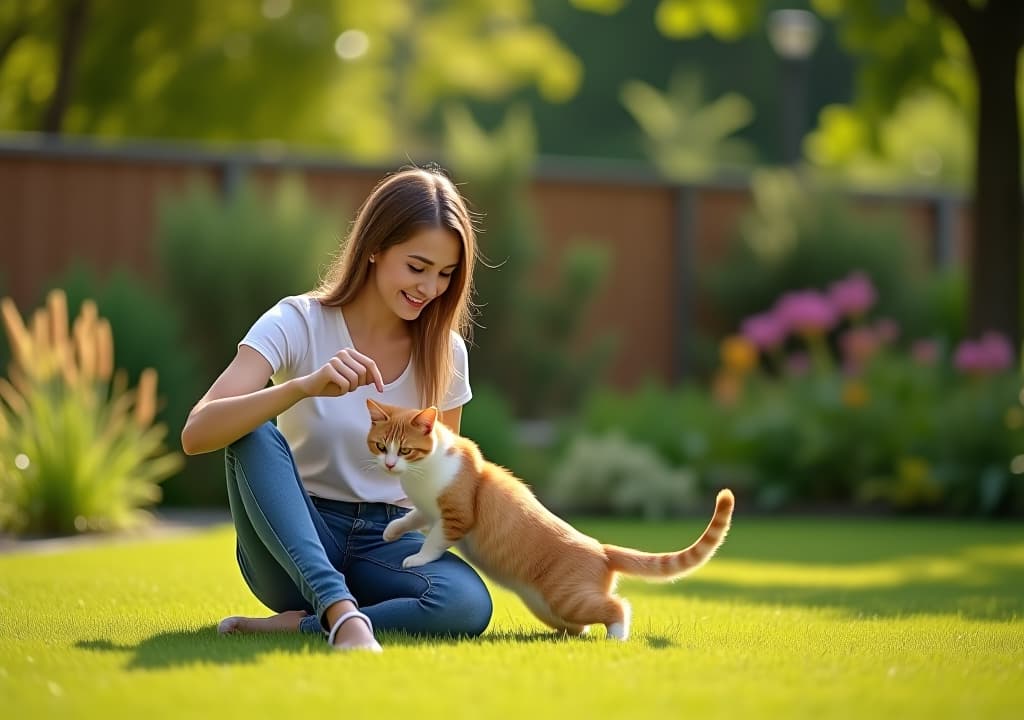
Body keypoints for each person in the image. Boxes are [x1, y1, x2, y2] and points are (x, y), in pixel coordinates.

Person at [180, 166, 493, 652]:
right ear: (374, 247)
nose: (430, 289)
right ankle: (339, 610)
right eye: (417, 267)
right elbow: (197, 432)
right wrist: (302, 388)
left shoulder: (447, 352)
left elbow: (443, 486)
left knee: (469, 604)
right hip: (294, 537)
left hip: (388, 543)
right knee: (253, 431)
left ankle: (308, 624)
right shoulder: (297, 321)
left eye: (445, 274)